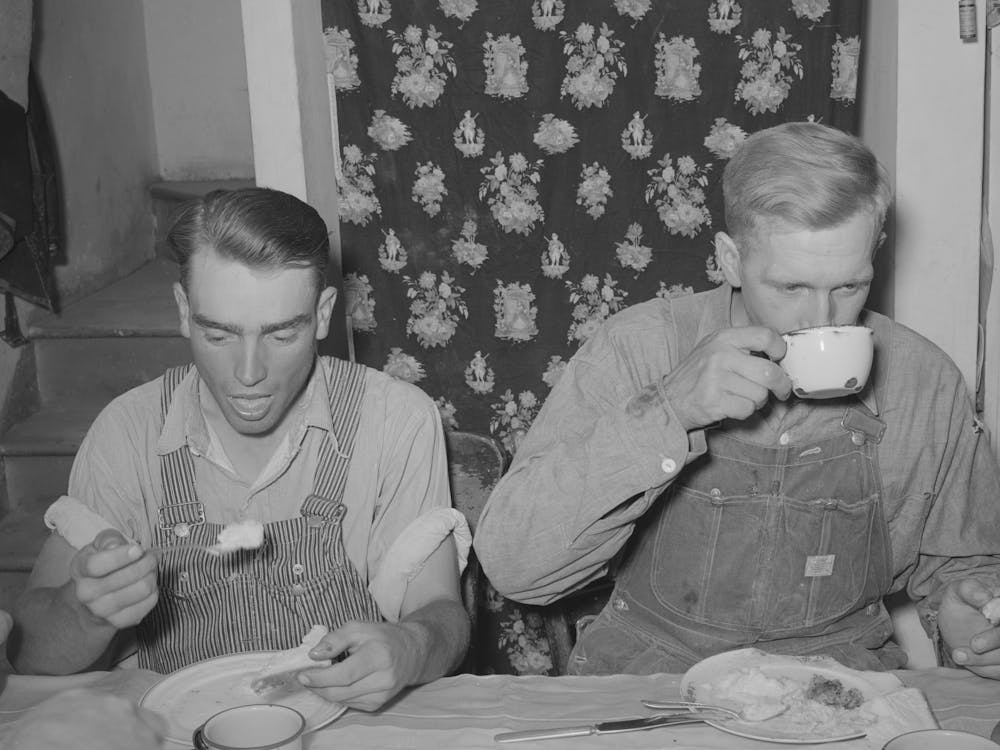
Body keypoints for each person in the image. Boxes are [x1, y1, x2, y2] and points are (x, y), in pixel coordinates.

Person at [474, 121, 1000, 678]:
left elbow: (962, 567)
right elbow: (514, 567)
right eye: (790, 287)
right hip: (646, 681)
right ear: (730, 260)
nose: (821, 321)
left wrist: (967, 619)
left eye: (850, 286)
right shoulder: (638, 347)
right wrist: (669, 410)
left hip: (840, 688)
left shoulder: (924, 379)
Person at [7, 187, 470, 710]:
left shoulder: (395, 420)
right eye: (219, 335)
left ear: (321, 315)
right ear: (184, 311)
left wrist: (412, 644)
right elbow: (30, 654)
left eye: (281, 335)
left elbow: (439, 611)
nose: (249, 375)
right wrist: (84, 613)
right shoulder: (127, 432)